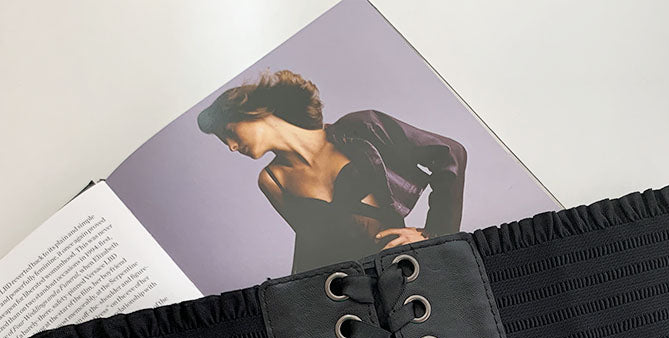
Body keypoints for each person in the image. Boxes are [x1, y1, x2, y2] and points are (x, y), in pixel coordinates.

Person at [197, 69, 467, 273]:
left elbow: (450, 152)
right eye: (223, 142)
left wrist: (436, 233)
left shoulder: (361, 129)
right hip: (350, 294)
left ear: (254, 111)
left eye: (228, 132)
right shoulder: (272, 180)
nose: (231, 146)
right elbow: (312, 249)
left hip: (404, 271)